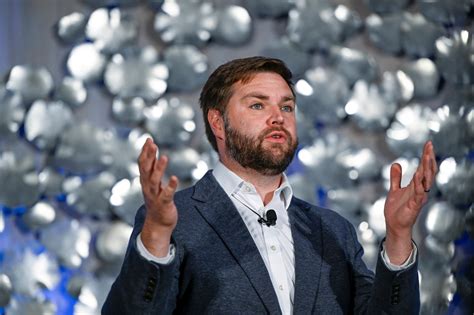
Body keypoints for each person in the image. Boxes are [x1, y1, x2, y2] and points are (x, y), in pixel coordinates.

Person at [102, 56, 437, 314]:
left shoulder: (333, 229)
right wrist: (158, 234)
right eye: (258, 104)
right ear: (218, 122)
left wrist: (397, 236)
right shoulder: (175, 220)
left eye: (286, 106)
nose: (278, 117)